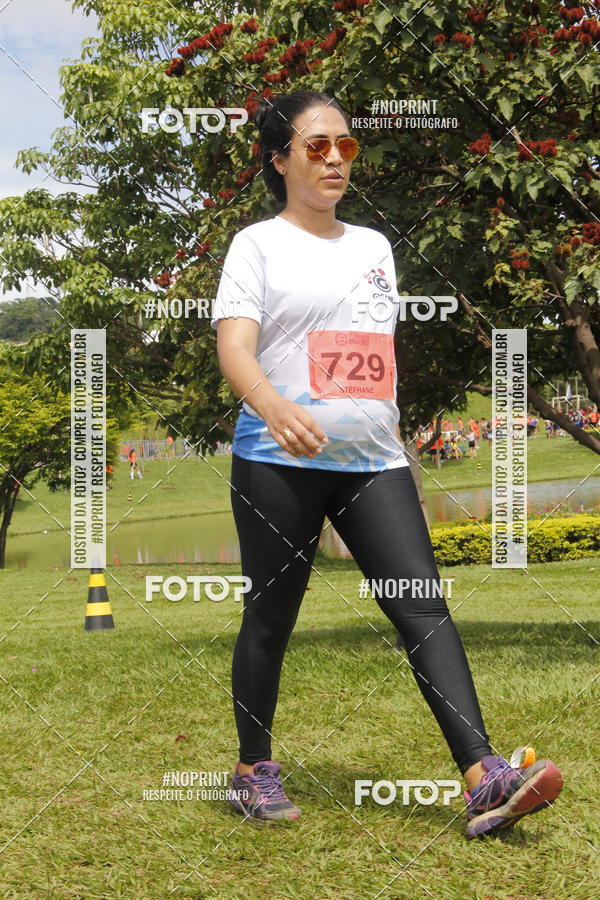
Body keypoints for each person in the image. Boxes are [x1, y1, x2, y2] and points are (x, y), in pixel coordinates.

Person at [211, 90, 562, 838]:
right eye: (315, 146)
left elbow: (368, 355)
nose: (335, 157)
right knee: (272, 617)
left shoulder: (373, 245)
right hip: (278, 460)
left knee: (422, 607)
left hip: (373, 463)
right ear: (279, 159)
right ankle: (251, 771)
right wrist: (274, 406)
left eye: (346, 144)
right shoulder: (257, 244)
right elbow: (236, 347)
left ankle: (484, 775)